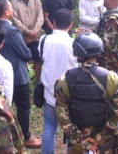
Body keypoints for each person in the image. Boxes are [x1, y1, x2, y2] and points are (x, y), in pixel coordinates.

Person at [55, 32, 118, 153]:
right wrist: (100, 138)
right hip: (105, 144)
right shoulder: (112, 78)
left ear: (78, 55)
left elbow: (62, 117)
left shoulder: (65, 80)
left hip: (78, 146)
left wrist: (82, 140)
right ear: (99, 53)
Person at [0, 0, 41, 148]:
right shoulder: (12, 30)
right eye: (10, 8)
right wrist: (26, 47)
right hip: (17, 75)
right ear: (7, 12)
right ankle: (25, 136)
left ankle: (1, 134)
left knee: (0, 105)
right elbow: (26, 54)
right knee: (23, 107)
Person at [39, 8, 78, 154]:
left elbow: (41, 58)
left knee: (49, 127)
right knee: (71, 129)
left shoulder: (44, 40)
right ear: (71, 24)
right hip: (69, 94)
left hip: (49, 90)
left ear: (54, 22)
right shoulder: (75, 43)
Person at [10, 0, 44, 83]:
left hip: (35, 36)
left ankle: (38, 82)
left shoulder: (36, 0)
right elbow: (15, 20)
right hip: (21, 37)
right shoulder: (14, 2)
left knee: (37, 60)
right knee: (22, 60)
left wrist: (35, 30)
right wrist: (27, 31)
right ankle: (24, 82)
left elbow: (40, 16)